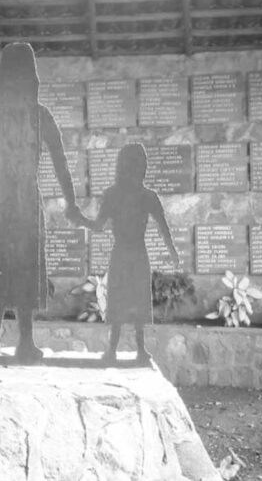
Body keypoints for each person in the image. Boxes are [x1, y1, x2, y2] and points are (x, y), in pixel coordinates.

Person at [0, 43, 88, 363]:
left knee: (0, 265)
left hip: (1, 201)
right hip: (24, 200)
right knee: (24, 266)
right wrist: (70, 202)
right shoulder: (39, 115)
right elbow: (60, 163)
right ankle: (23, 342)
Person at [84, 143, 179, 365]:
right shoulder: (142, 196)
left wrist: (80, 219)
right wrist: (172, 252)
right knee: (131, 299)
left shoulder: (118, 195)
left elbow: (98, 226)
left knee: (128, 299)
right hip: (132, 253)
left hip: (128, 253)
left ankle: (124, 350)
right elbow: (163, 228)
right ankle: (126, 349)